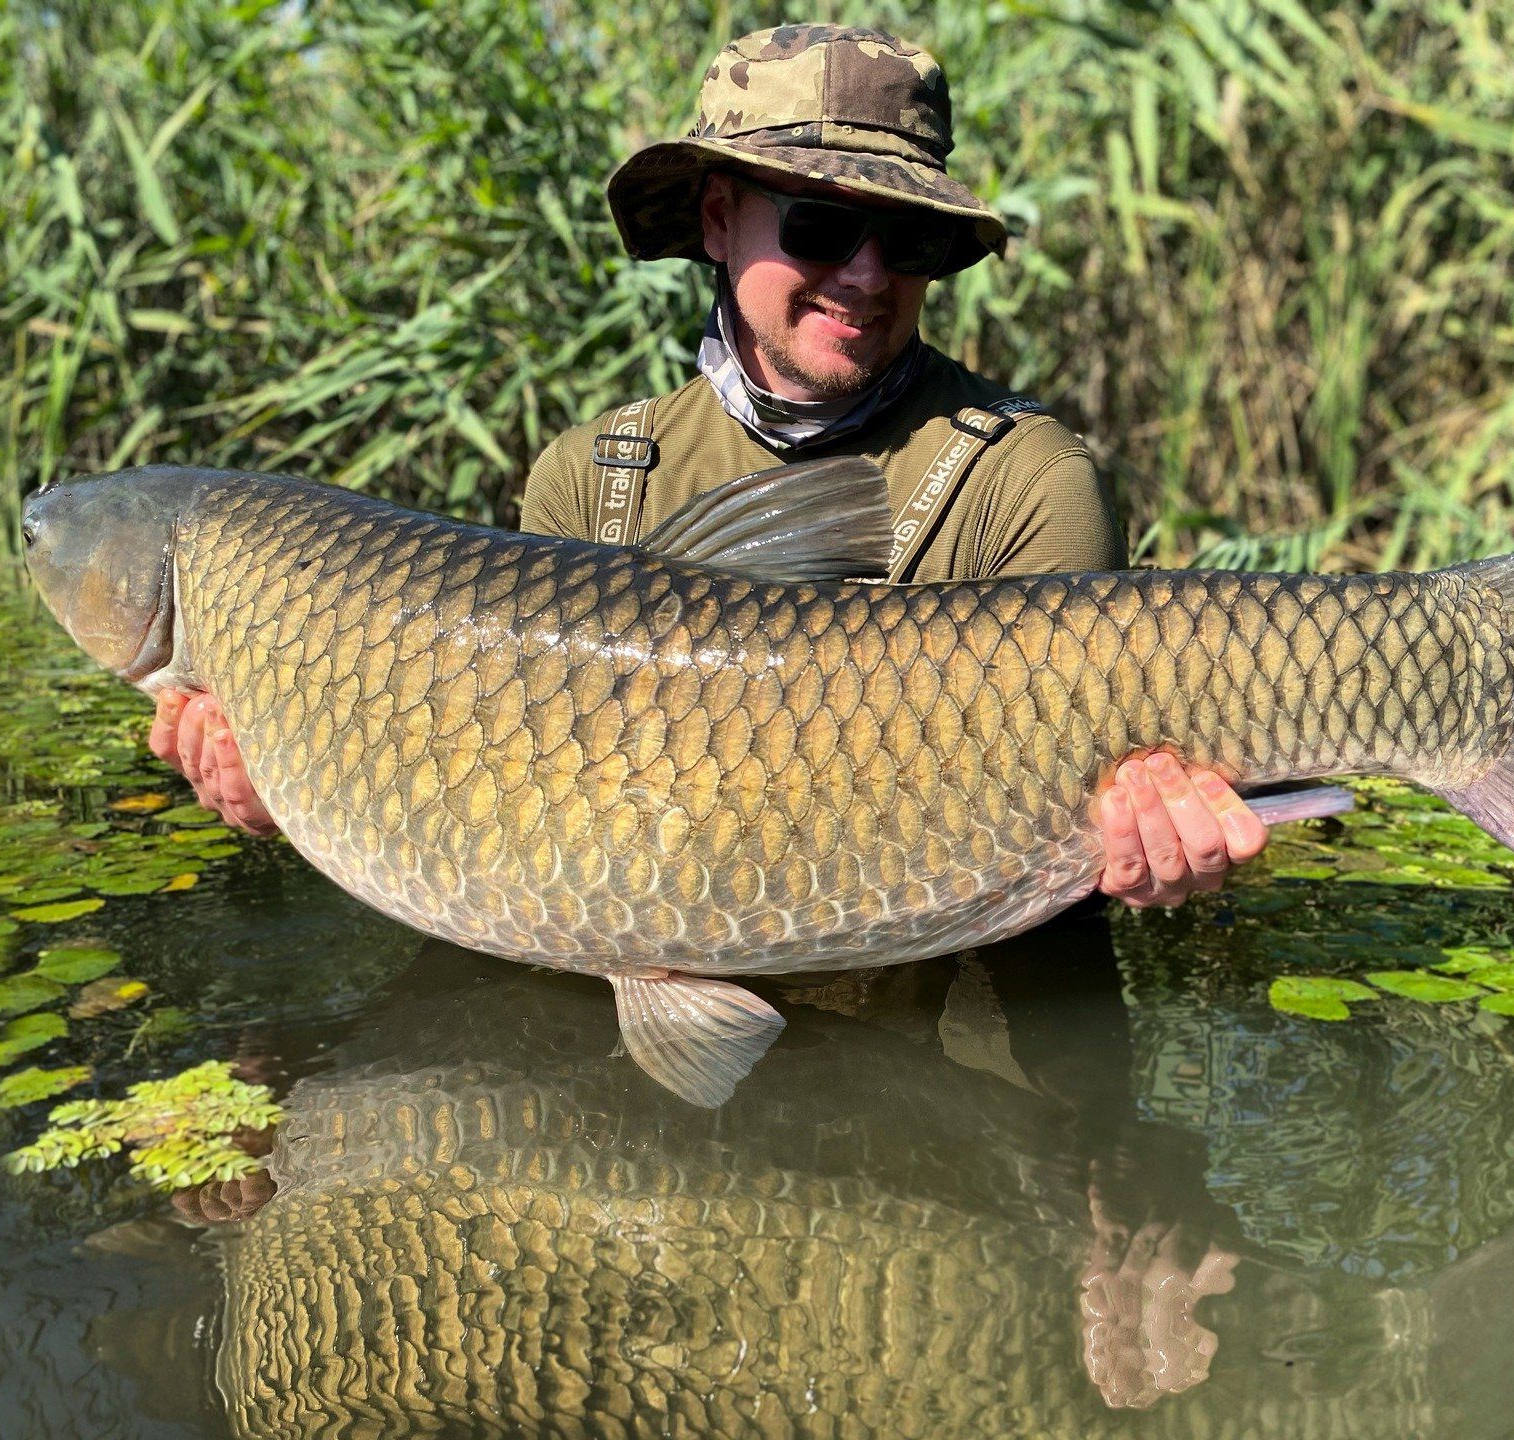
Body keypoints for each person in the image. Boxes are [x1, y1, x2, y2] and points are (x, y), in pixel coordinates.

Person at [149, 23, 1266, 909]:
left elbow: (1084, 820)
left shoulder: (1026, 477)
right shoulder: (588, 479)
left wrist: (1158, 851)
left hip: (958, 1056)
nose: (869, 277)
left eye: (912, 240)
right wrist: (297, 797)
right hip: (657, 1038)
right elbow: (519, 817)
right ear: (722, 219)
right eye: (827, 227)